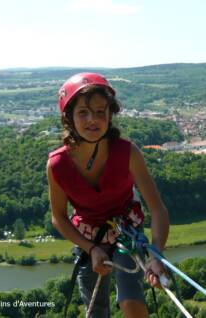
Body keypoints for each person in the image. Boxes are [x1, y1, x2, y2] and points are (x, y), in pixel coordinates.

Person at [47, 73, 169, 317]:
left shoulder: (127, 153)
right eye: (83, 112)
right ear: (68, 117)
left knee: (132, 303)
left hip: (126, 234)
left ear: (110, 115)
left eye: (101, 112)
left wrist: (157, 254)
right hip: (88, 240)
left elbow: (157, 209)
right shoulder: (57, 165)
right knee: (96, 312)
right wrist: (91, 249)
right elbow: (58, 217)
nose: (93, 120)